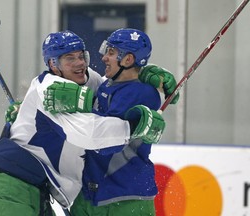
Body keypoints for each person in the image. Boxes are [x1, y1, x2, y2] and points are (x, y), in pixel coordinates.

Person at [0, 30, 176, 216]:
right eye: (70, 58)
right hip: (8, 186)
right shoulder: (50, 91)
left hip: (34, 187)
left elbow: (113, 84)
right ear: (53, 64)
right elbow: (91, 135)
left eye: (81, 56)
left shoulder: (84, 80)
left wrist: (141, 72)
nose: (80, 63)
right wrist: (134, 126)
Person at [43, 28, 174, 216]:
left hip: (126, 197)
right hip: (92, 193)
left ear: (128, 60)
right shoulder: (107, 84)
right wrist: (32, 110)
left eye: (111, 52)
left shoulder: (141, 93)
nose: (104, 57)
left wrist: (77, 105)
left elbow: (105, 142)